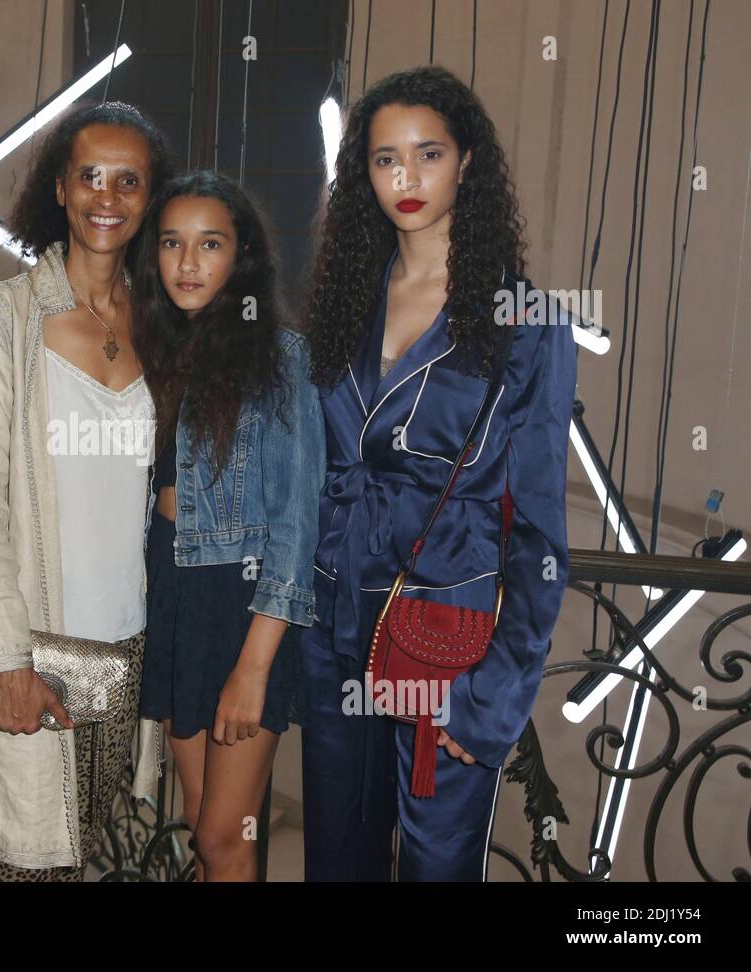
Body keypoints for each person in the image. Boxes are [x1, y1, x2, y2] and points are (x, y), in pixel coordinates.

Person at [299, 65, 576, 881]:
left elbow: (539, 532)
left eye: (428, 155)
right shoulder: (343, 302)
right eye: (386, 160)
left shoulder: (527, 323)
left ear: (467, 165)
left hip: (444, 642)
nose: (407, 179)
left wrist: (496, 697)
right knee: (336, 862)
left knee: (436, 870)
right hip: (332, 626)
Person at [0, 101, 173, 880]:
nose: (107, 195)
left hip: (124, 646)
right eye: (89, 176)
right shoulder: (5, 317)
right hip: (33, 646)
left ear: (149, 196)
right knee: (22, 865)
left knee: (85, 854)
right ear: (59, 188)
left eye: (128, 180)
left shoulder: (160, 321)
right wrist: (6, 662)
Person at [131, 171, 325, 882]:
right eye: (173, 244)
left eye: (209, 244)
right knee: (201, 828)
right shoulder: (153, 353)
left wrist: (253, 668)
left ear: (240, 257)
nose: (187, 263)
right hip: (172, 594)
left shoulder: (281, 360)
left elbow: (295, 528)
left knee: (225, 838)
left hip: (241, 606)